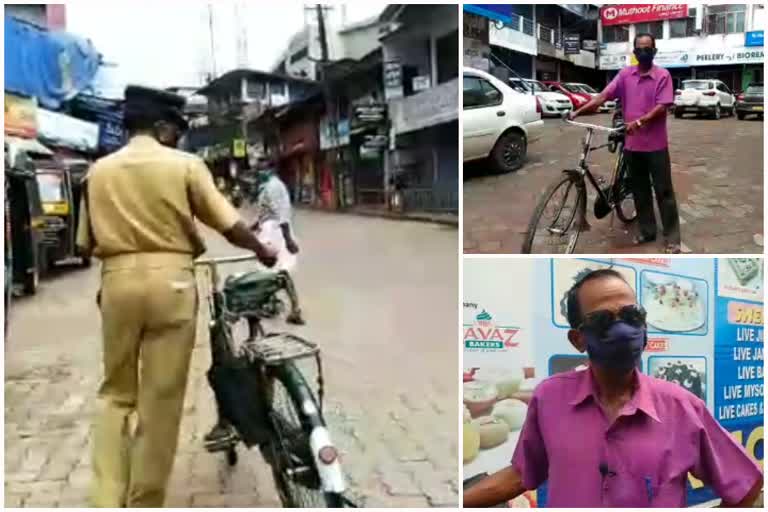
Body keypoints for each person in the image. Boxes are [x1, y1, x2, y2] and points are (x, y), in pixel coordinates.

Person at [76, 85, 276, 508]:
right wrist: (263, 250)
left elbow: (83, 245)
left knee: (115, 395)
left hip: (117, 283)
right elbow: (228, 223)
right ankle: (145, 501)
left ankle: (106, 499)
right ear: (164, 128)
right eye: (178, 129)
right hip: (174, 284)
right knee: (160, 400)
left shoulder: (98, 171)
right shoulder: (184, 165)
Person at [463, 269, 763, 508]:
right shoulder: (549, 397)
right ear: (577, 340)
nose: (623, 330)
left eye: (632, 317)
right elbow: (522, 473)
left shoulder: (681, 406)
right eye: (603, 320)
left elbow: (746, 484)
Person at [202, 155, 305, 452]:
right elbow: (260, 216)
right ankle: (270, 314)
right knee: (271, 277)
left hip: (274, 236)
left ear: (268, 170)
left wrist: (281, 239)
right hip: (264, 234)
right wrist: (253, 229)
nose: (257, 173)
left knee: (278, 273)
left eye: (260, 168)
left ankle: (293, 309)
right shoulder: (265, 189)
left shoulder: (274, 187)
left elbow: (281, 215)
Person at [569, 33, 682, 254]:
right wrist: (578, 112)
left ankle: (672, 237)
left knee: (664, 192)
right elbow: (603, 96)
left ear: (654, 51)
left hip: (656, 146)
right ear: (634, 52)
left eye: (648, 48)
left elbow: (662, 106)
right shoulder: (625, 75)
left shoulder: (662, 76)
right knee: (639, 191)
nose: (643, 52)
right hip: (632, 147)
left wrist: (639, 122)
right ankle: (648, 230)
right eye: (639, 49)